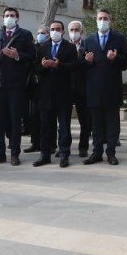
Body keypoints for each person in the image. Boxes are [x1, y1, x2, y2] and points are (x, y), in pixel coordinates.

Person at [0, 7, 35, 166]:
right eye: (6, 15)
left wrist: (17, 56)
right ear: (3, 18)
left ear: (17, 18)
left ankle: (15, 153)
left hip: (15, 84)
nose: (9, 18)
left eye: (12, 15)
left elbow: (32, 56)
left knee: (15, 119)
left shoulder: (25, 34)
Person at [82, 9, 127, 165]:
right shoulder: (88, 40)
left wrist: (116, 58)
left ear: (110, 20)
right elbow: (82, 66)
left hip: (112, 89)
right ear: (96, 20)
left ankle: (111, 153)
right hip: (94, 90)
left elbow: (126, 62)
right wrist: (87, 62)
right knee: (96, 125)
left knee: (112, 124)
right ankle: (96, 152)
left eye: (105, 18)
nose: (102, 21)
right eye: (100, 18)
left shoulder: (119, 38)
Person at [32, 21, 78, 167]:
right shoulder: (42, 48)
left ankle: (64, 154)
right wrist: (43, 66)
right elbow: (35, 68)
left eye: (58, 29)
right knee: (45, 126)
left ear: (63, 31)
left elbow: (75, 66)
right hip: (46, 93)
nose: (54, 31)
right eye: (52, 29)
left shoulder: (70, 47)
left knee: (64, 126)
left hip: (63, 93)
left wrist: (59, 65)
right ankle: (45, 155)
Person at [24, 25, 51, 155]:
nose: (40, 35)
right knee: (33, 116)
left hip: (47, 86)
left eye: (43, 33)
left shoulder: (51, 47)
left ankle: (50, 144)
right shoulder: (34, 48)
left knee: (47, 118)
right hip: (34, 86)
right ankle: (35, 143)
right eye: (39, 32)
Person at [67, 20, 92, 157]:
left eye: (77, 30)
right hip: (66, 88)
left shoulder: (87, 46)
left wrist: (87, 62)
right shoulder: (64, 46)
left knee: (85, 121)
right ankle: (65, 146)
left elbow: (90, 66)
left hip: (83, 88)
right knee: (65, 120)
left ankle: (83, 147)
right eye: (72, 30)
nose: (74, 32)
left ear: (81, 32)